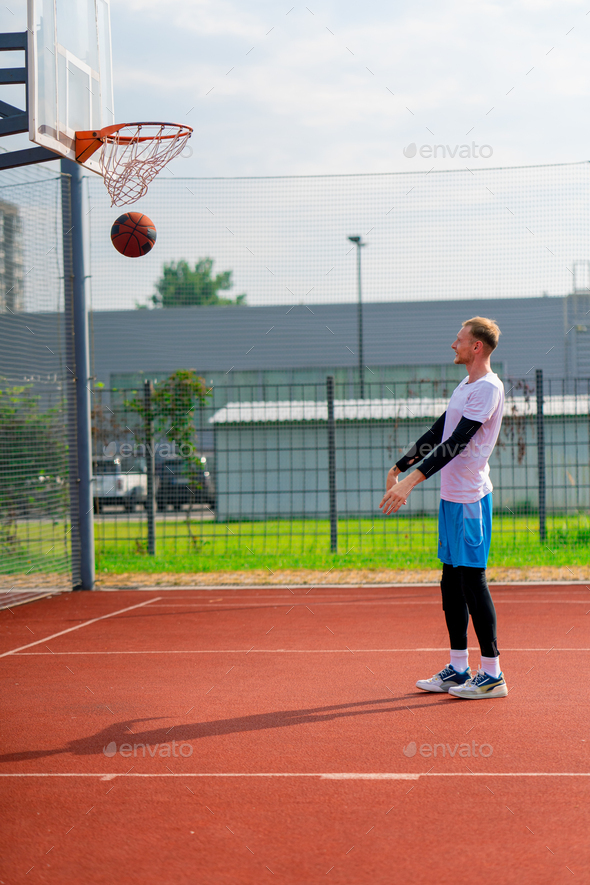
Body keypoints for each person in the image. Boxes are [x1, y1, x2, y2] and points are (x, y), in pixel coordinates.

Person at [379, 317, 507, 699]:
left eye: (459, 340)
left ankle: (493, 673)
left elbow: (457, 443)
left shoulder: (488, 388)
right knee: (450, 583)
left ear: (477, 347)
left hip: (470, 500)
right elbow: (439, 431)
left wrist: (410, 482)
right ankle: (457, 667)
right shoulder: (466, 386)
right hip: (451, 499)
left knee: (472, 582)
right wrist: (399, 466)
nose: (454, 345)